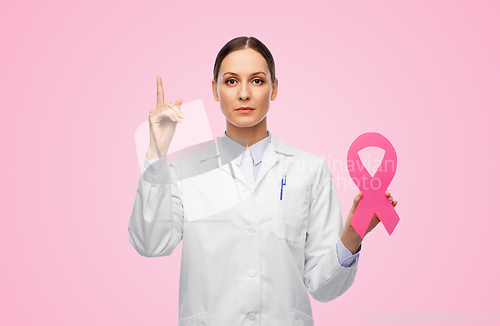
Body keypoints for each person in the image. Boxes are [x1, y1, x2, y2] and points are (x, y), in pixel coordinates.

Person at [128, 36, 398, 326]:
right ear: (215, 90)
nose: (244, 94)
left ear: (275, 88)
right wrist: (156, 154)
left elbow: (323, 287)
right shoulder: (186, 171)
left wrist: (355, 234)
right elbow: (149, 243)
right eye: (231, 81)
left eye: (257, 81)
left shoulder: (310, 169)